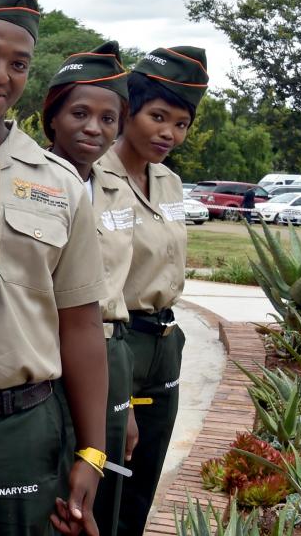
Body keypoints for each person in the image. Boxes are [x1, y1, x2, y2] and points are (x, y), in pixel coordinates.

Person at [0, 0, 108, 536]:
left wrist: (92, 451)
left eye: (19, 65)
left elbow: (81, 321)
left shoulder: (60, 183)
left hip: (20, 424)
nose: (1, 75)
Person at [97, 46, 208, 536]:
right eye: (158, 117)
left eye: (181, 124)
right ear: (128, 112)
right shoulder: (93, 176)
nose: (169, 134)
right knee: (107, 479)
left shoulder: (169, 183)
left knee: (143, 483)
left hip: (166, 344)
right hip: (118, 344)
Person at [42, 41, 140, 536]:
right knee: (57, 496)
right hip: (52, 357)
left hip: (109, 355)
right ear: (52, 116)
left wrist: (123, 397)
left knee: (102, 492)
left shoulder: (115, 187)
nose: (93, 128)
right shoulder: (28, 183)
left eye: (108, 119)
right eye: (79, 112)